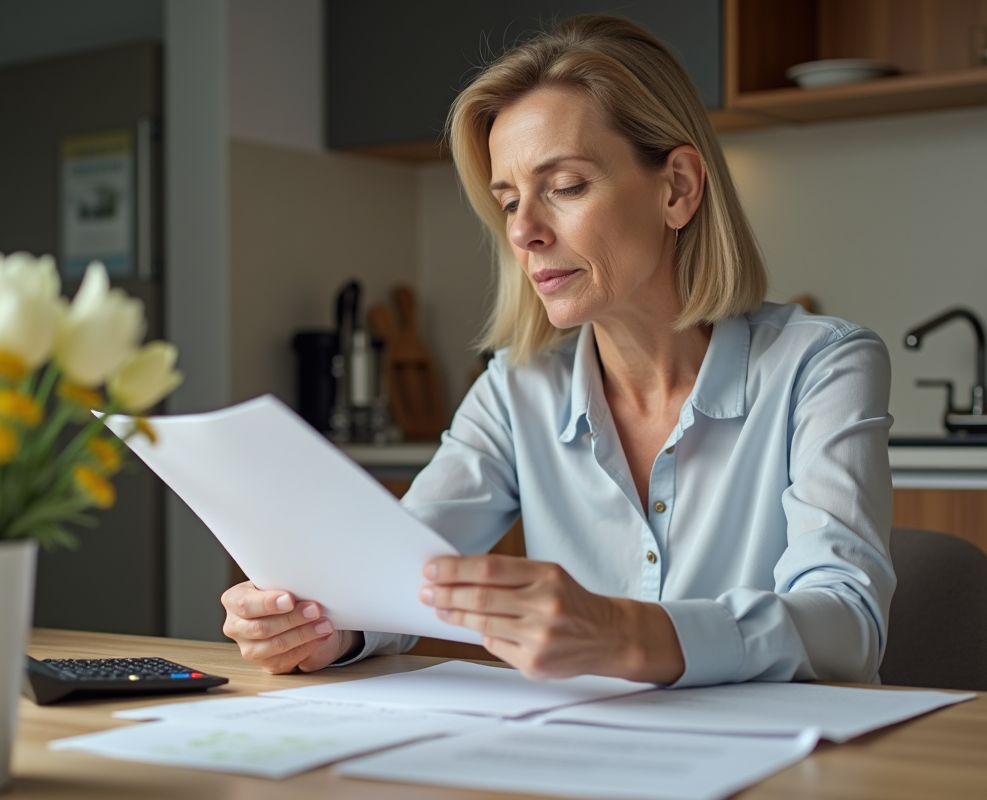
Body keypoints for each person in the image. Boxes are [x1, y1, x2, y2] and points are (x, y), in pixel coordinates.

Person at [221, 15, 895, 688]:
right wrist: (325, 625)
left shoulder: (821, 366)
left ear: (678, 188)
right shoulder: (516, 391)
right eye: (508, 200)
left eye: (565, 186)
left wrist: (629, 634)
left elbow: (846, 626)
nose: (524, 231)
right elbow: (405, 572)